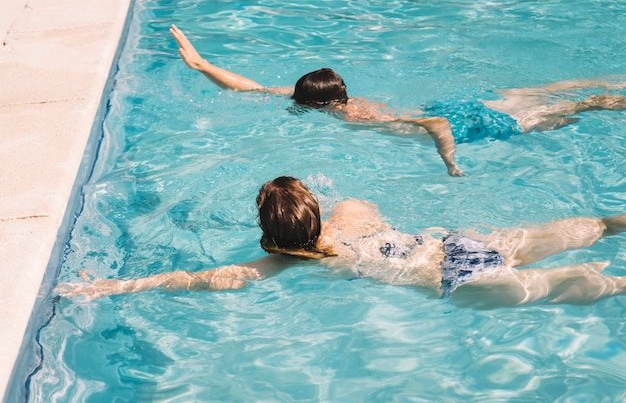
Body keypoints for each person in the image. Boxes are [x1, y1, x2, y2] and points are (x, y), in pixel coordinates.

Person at [56, 176, 626, 309]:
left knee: (561, 287)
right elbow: (366, 207)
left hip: (450, 279)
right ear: (318, 210)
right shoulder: (352, 213)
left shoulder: (279, 263)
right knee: (586, 227)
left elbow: (197, 279)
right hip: (454, 243)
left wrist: (113, 286)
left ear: (270, 234)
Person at [169, 24, 626, 177]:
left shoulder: (360, 118)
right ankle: (605, 80)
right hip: (450, 101)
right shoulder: (330, 97)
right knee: (531, 95)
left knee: (554, 114)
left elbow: (436, 126)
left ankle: (605, 99)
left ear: (323, 104)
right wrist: (203, 65)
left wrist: (449, 163)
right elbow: (253, 88)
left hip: (460, 122)